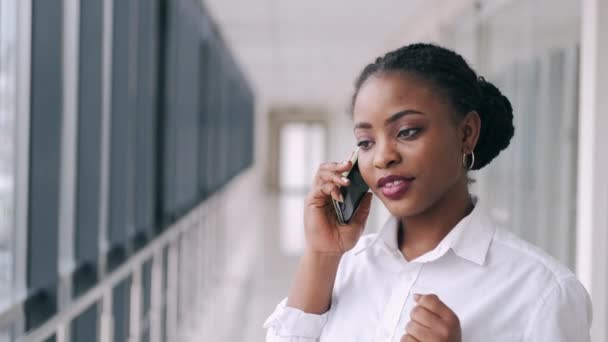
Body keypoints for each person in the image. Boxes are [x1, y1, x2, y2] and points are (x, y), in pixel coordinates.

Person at [263, 43, 592, 341]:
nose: (382, 157)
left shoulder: (542, 292)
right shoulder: (347, 265)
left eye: (407, 132)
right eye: (366, 142)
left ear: (466, 133)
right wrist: (322, 255)